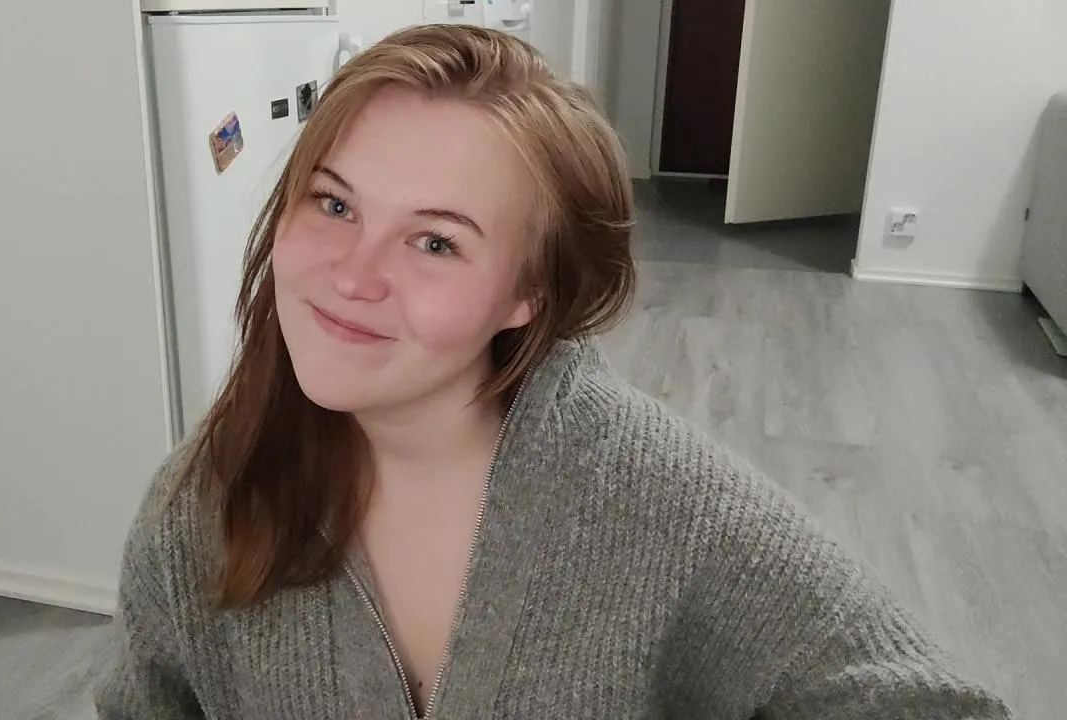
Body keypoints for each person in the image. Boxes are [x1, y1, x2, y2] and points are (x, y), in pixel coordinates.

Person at [95, 24, 1011, 720]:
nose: (353, 275)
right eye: (334, 204)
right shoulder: (201, 507)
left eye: (435, 241)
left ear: (528, 294)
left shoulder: (664, 508)